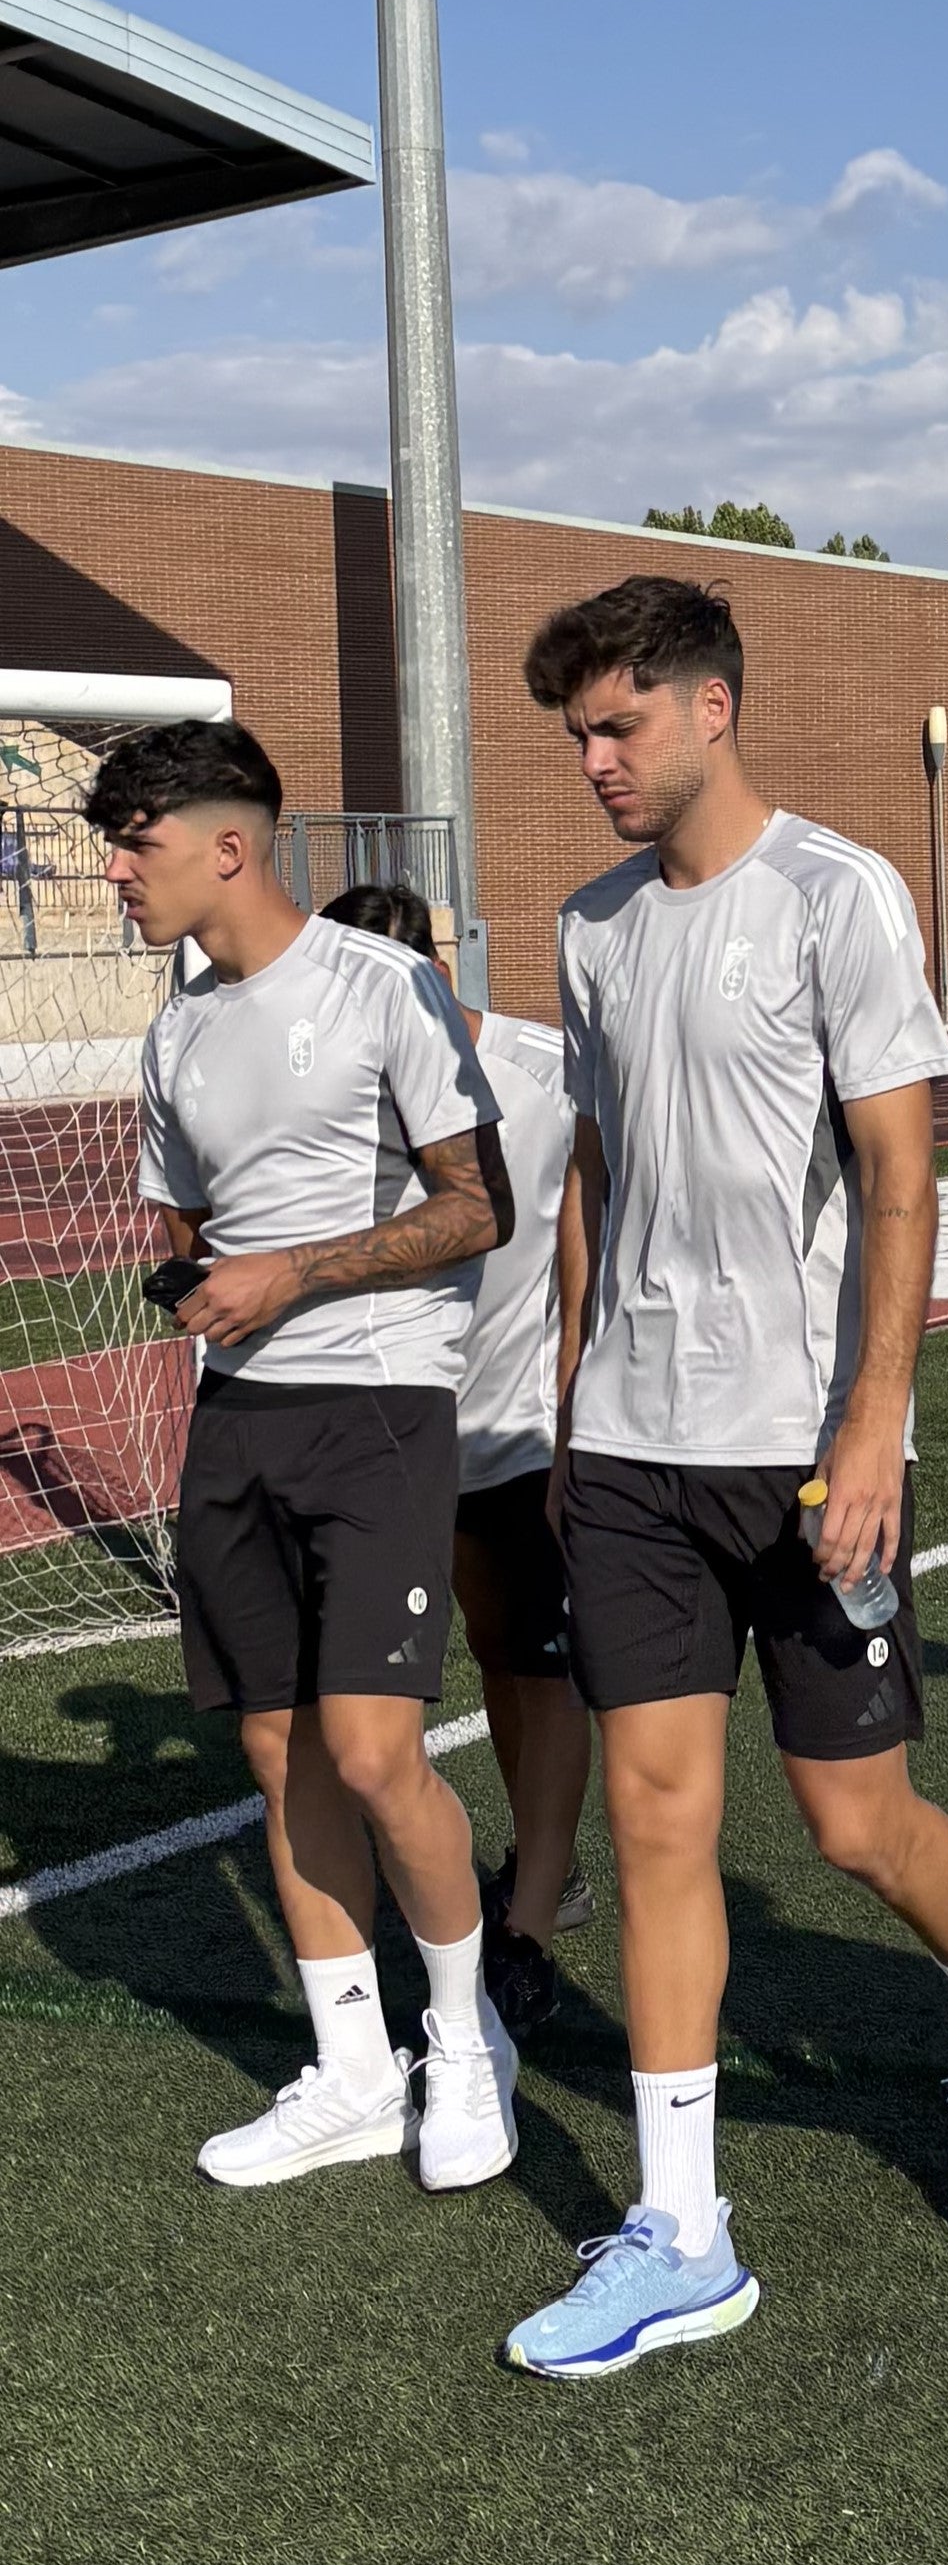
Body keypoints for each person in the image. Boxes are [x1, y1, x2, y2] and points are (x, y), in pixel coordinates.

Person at [503, 574, 948, 2380]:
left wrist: (869, 1420)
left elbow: (901, 1179)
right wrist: (577, 1392)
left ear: (710, 708)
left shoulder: (838, 895)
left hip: (805, 1450)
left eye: (617, 725)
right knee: (657, 1824)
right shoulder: (590, 929)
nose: (592, 762)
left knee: (850, 1825)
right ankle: (681, 2231)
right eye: (576, 734)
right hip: (635, 1452)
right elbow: (595, 1165)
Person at [90, 721, 517, 2195]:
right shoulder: (176, 1028)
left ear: (231, 841)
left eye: (135, 838)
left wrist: (297, 1276)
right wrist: (208, 1278)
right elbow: (184, 1224)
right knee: (280, 1759)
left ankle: (463, 2048)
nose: (115, 868)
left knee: (374, 1750)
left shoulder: (380, 983)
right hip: (238, 1418)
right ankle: (349, 2074)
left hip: (381, 1402)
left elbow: (481, 1207)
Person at [321, 884, 595, 2041]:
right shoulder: (321, 1084)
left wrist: (576, 1399)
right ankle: (430, 1904)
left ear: (436, 975)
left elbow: (586, 1226)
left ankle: (532, 1908)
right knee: (412, 1679)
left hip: (508, 1433)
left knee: (531, 1659)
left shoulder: (537, 1077)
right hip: (376, 1439)